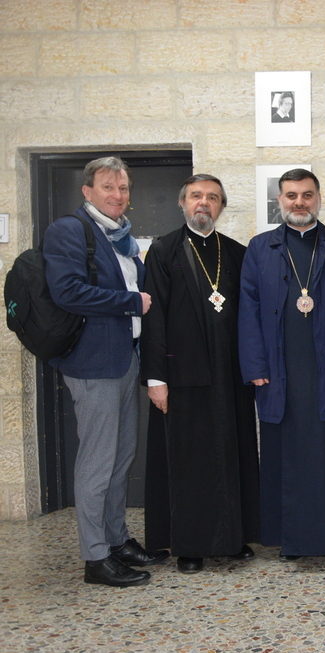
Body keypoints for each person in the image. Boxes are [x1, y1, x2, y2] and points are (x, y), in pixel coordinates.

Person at [44, 156, 166, 587]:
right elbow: (67, 290)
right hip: (93, 364)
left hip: (123, 360)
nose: (118, 195)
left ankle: (116, 540)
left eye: (124, 188)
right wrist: (130, 303)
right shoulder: (68, 231)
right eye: (109, 187)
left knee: (120, 456)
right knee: (98, 461)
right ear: (88, 191)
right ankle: (96, 558)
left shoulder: (121, 239)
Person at [239, 168, 325, 561]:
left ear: (318, 198)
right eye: (291, 195)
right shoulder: (260, 247)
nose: (300, 202)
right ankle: (287, 537)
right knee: (286, 451)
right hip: (280, 369)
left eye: (307, 195)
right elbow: (248, 310)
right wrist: (255, 364)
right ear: (279, 200)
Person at [141, 174, 260, 574]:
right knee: (191, 461)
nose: (203, 203)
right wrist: (155, 377)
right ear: (183, 203)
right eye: (196, 196)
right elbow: (153, 316)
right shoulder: (163, 250)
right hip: (183, 376)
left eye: (212, 197)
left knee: (231, 454)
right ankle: (190, 544)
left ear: (222, 206)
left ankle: (232, 538)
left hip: (230, 375)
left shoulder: (238, 252)